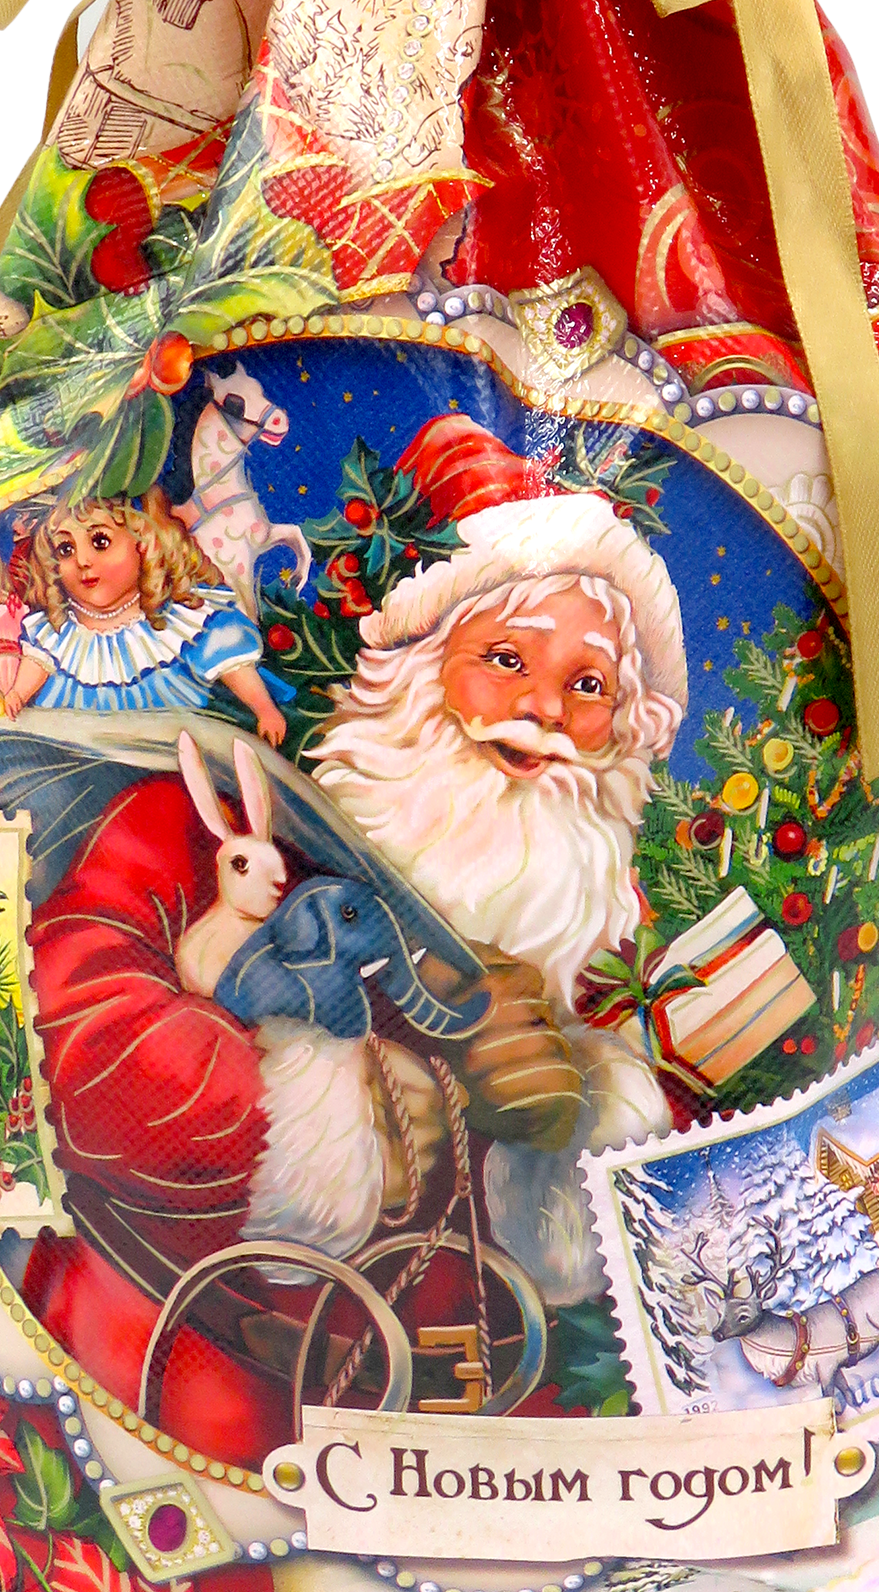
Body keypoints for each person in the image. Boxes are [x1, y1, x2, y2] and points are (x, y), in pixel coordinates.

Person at [263, 458, 689, 1307]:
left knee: (622, 1096)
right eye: (505, 658)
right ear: (422, 667)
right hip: (303, 1307)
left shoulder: (604, 915)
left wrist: (566, 1094)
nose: (545, 709)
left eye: (588, 684)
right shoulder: (309, 841)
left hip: (492, 1312)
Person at [0, 488, 288, 742]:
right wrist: (17, 694)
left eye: (100, 542)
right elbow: (37, 664)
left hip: (171, 746)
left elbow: (232, 666)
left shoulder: (178, 620)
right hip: (84, 750)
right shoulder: (57, 630)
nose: (83, 561)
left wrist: (265, 709)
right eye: (65, 550)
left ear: (143, 542)